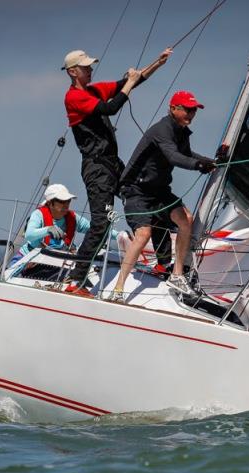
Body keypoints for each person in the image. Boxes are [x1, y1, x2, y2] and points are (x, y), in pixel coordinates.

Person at [62, 46, 173, 295]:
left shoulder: (93, 89)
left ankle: (164, 262)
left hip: (113, 164)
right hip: (96, 168)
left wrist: (157, 63)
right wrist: (129, 83)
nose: (91, 70)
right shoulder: (74, 97)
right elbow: (110, 108)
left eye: (90, 66)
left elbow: (130, 82)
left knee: (145, 196)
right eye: (86, 67)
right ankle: (74, 281)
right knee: (101, 225)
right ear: (72, 72)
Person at [112, 91, 216, 302]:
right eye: (187, 109)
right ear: (173, 109)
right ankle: (118, 288)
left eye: (194, 110)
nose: (191, 113)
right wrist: (198, 165)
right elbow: (173, 156)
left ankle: (177, 276)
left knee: (185, 219)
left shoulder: (181, 131)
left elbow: (187, 154)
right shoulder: (162, 130)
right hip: (136, 189)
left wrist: (211, 161)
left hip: (158, 190)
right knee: (143, 234)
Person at [8, 184, 119, 278]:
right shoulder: (38, 215)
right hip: (29, 258)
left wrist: (119, 235)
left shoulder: (73, 218)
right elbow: (29, 235)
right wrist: (48, 230)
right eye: (62, 201)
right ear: (50, 203)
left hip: (54, 262)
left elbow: (97, 230)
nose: (66, 205)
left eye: (68, 201)